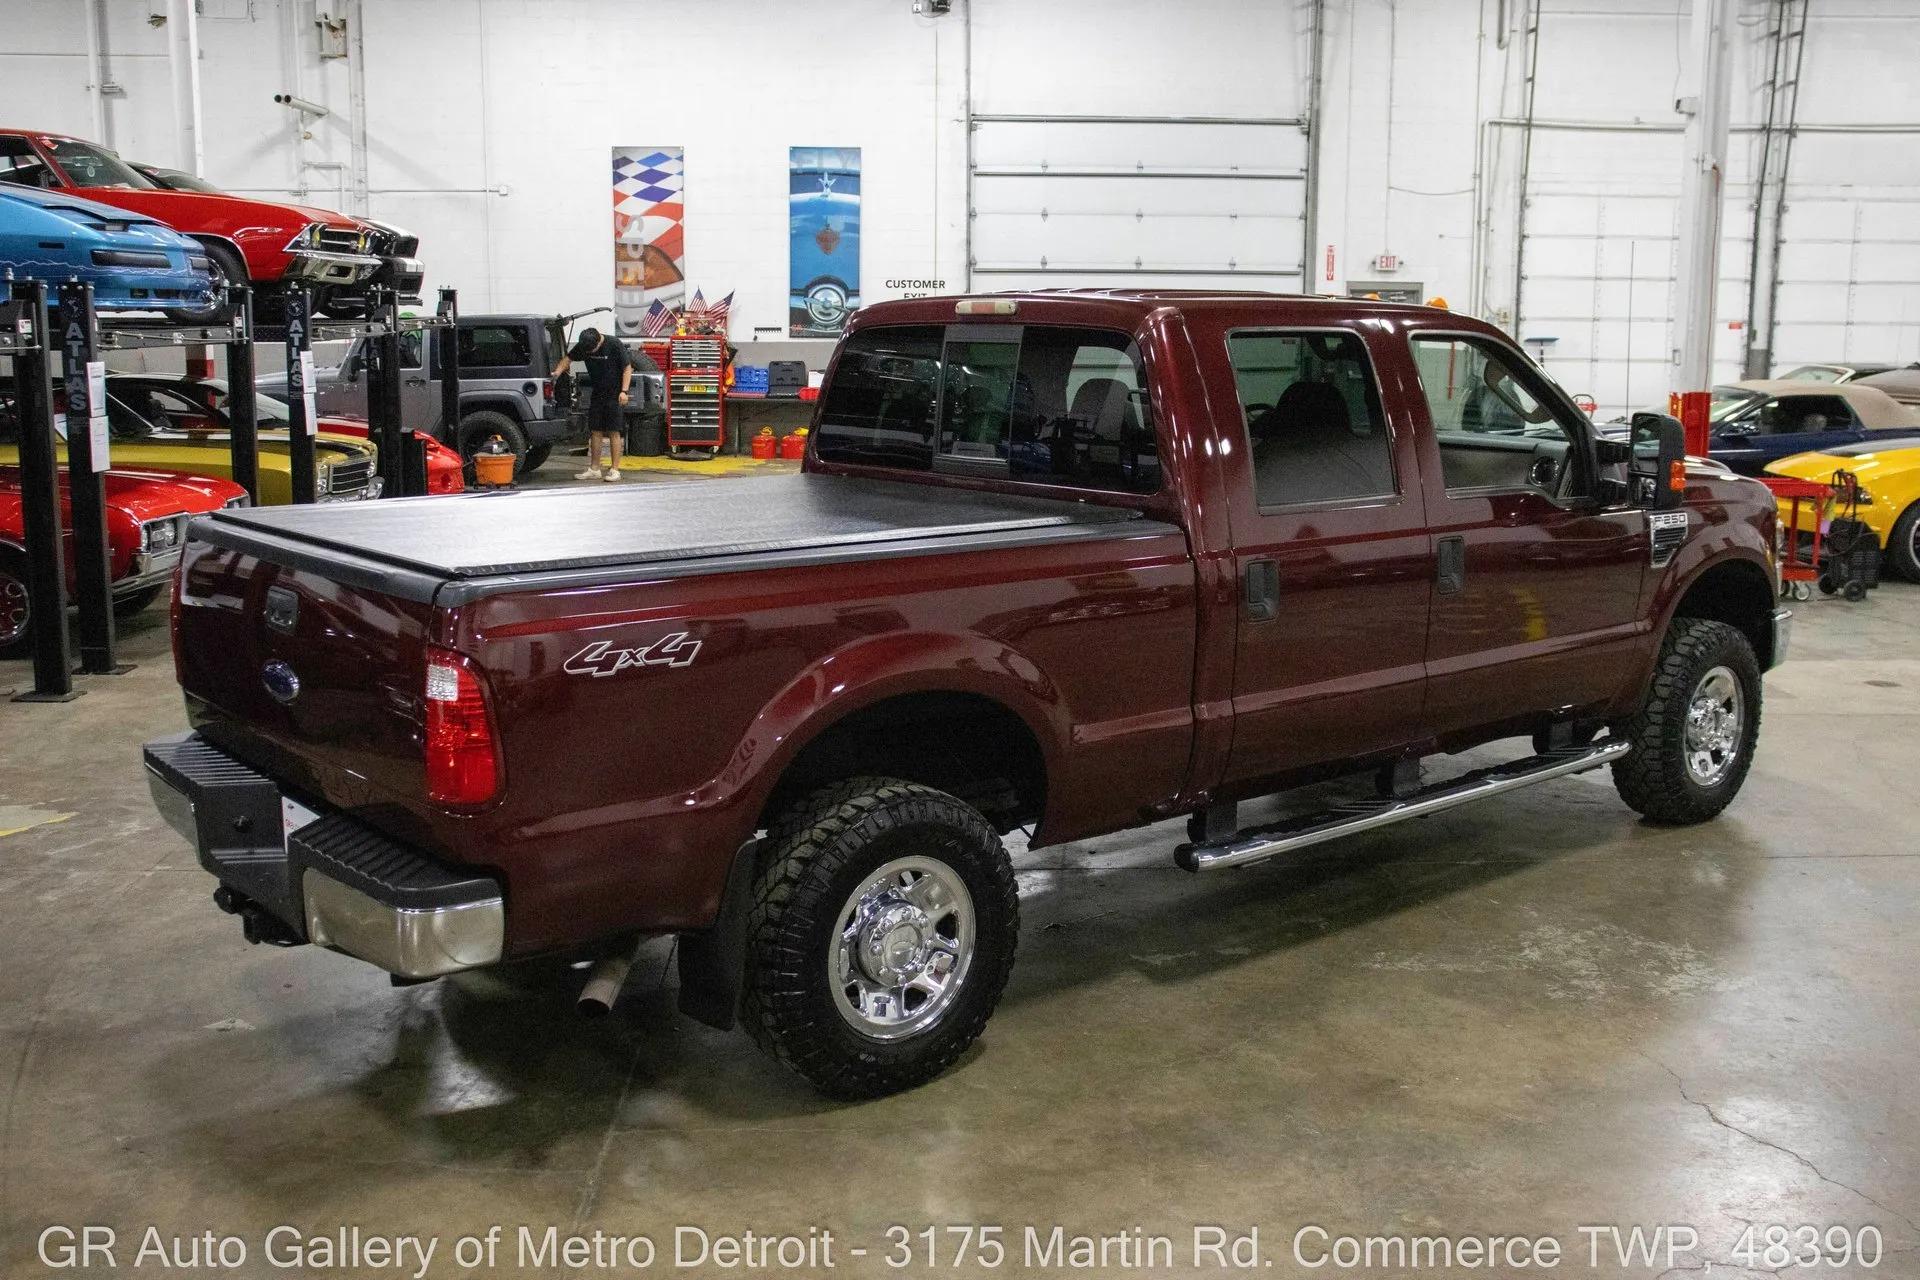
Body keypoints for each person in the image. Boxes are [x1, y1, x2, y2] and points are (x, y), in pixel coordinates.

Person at [551, 327, 633, 481]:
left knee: (614, 431)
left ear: (599, 341)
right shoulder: (584, 344)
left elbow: (627, 369)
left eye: (592, 350)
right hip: (597, 393)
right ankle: (594, 469)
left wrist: (624, 391)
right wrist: (557, 372)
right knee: (595, 430)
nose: (589, 353)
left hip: (615, 394)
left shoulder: (614, 344)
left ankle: (615, 470)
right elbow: (568, 359)